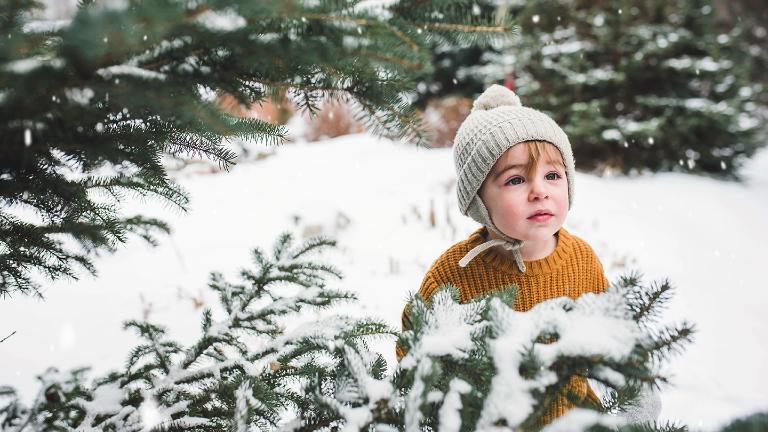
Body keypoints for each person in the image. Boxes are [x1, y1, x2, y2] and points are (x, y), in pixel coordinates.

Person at [398, 84, 609, 423]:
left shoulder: (581, 260)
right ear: (479, 200)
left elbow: (610, 335)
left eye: (552, 175)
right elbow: (413, 346)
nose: (539, 191)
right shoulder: (456, 272)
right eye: (515, 180)